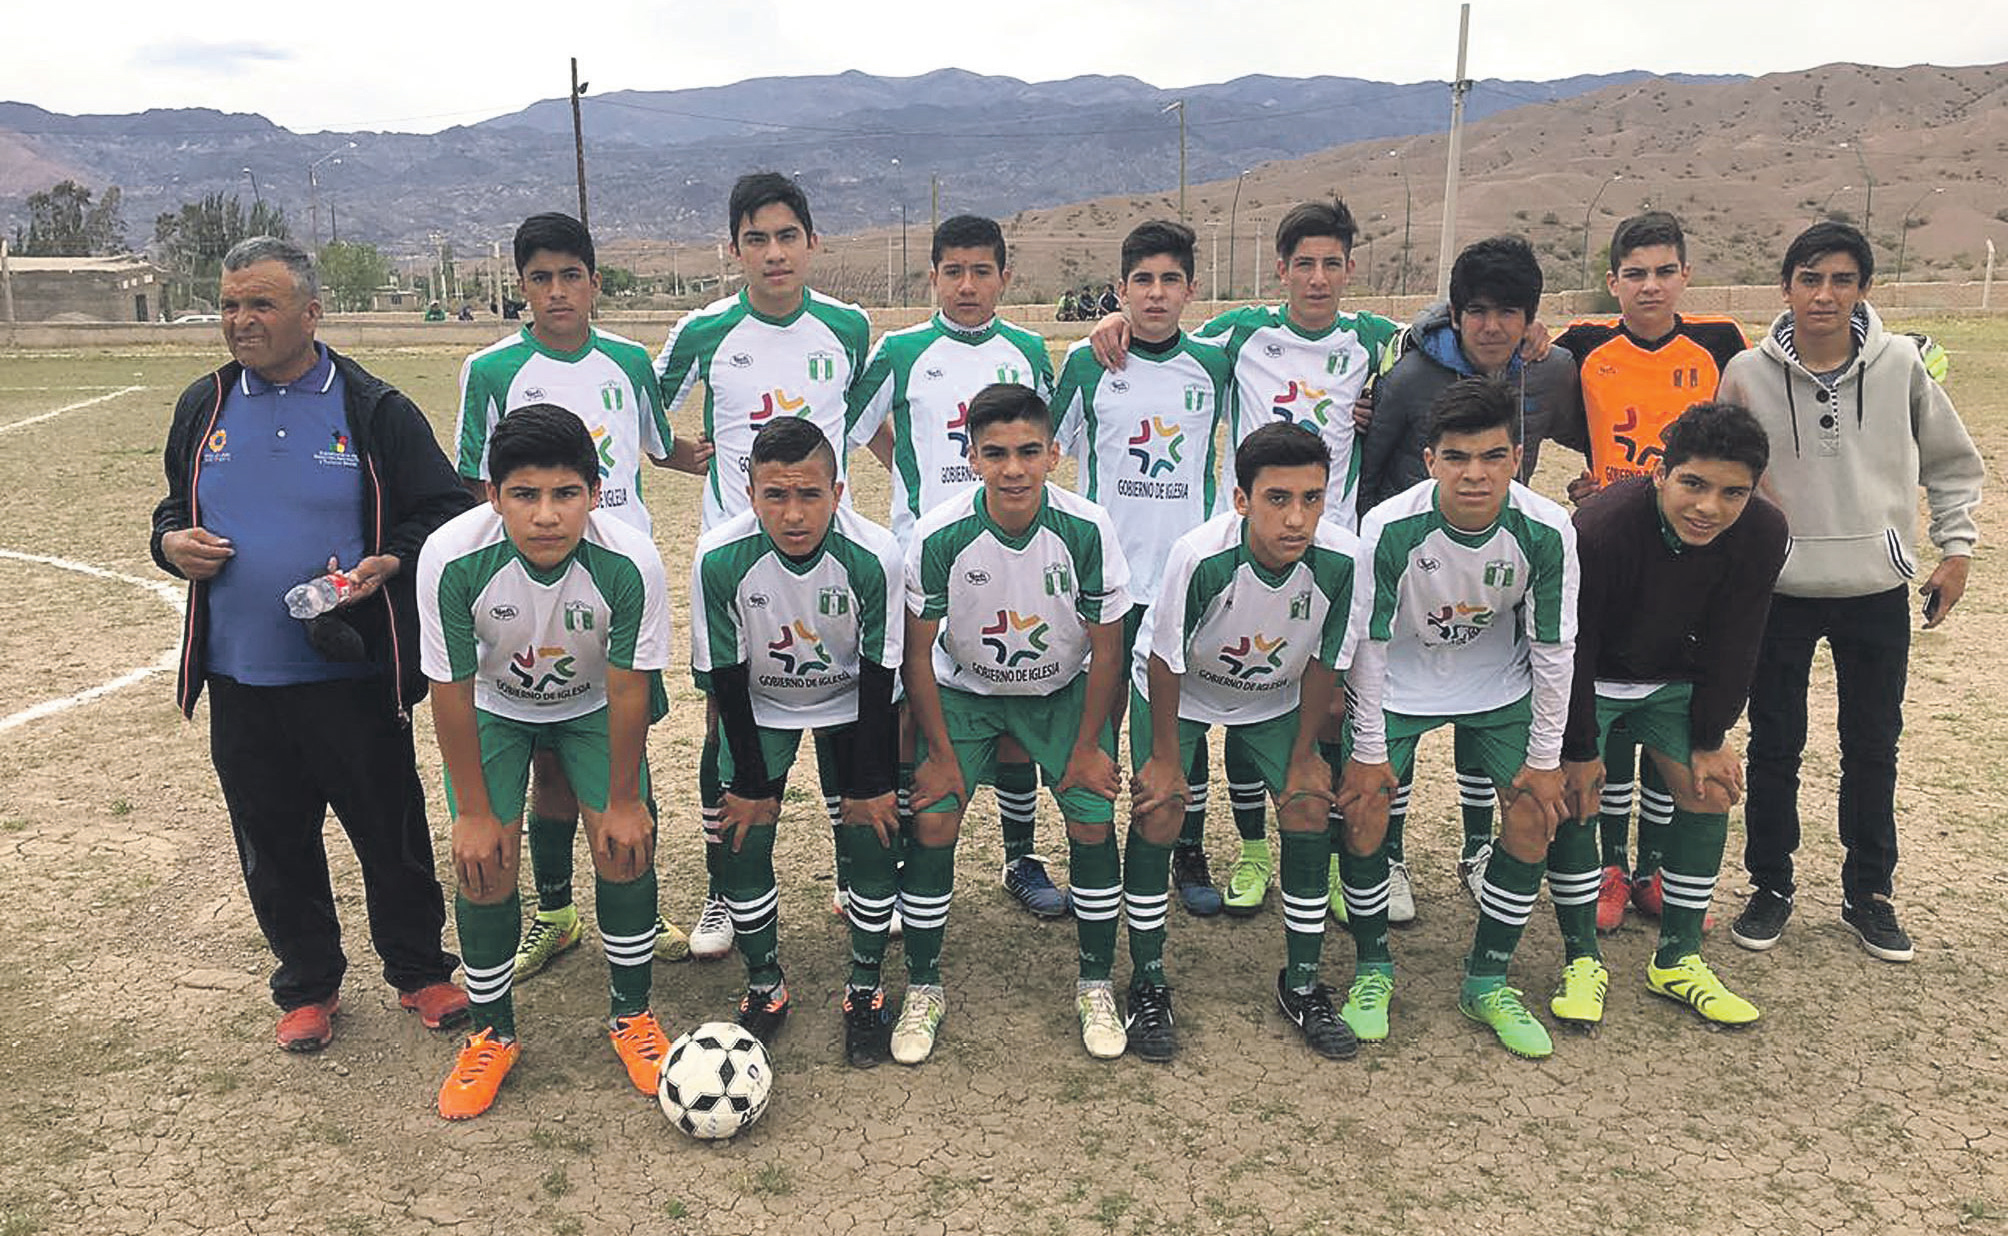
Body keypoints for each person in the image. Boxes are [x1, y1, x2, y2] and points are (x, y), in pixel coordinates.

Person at [149, 235, 470, 1054]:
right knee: (273, 841)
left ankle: (419, 970)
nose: (240, 320)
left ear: (311, 312)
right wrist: (170, 544)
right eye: (230, 305)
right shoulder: (204, 405)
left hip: (349, 671)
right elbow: (172, 508)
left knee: (390, 832)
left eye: (261, 303)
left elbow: (443, 510)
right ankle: (308, 985)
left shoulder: (372, 407)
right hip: (242, 676)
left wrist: (388, 561)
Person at [1091, 200, 1398, 924]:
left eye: (1331, 264)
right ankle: (1240, 850)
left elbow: (1443, 340)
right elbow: (1164, 339)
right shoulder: (1239, 335)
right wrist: (1108, 324)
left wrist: (1534, 335)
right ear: (1280, 269)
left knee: (1320, 707)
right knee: (1223, 685)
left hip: (1328, 551)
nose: (1317, 278)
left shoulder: (1377, 340)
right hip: (1243, 548)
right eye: (1304, 264)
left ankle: (1339, 858)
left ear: (1350, 269)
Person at [1723, 221, 1984, 963]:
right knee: (1775, 745)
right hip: (1780, 589)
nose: (1825, 295)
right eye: (1810, 279)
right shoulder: (1745, 373)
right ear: (1786, 288)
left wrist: (1957, 551)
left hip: (1875, 587)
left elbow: (1952, 464)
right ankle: (1770, 885)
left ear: (1865, 289)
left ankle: (1870, 893)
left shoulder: (1900, 364)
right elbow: (1723, 474)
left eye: (1842, 280)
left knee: (1872, 747)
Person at [456, 212, 705, 979]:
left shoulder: (628, 361)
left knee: (622, 753)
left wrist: (731, 452)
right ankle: (557, 913)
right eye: (541, 278)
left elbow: (658, 447)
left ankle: (636, 907)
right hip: (533, 592)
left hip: (618, 591)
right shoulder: (491, 369)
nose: (557, 292)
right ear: (521, 286)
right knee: (546, 762)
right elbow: (475, 483)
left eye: (571, 276)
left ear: (595, 282)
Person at [418, 405, 674, 1119]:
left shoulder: (631, 560)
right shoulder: (449, 556)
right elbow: (450, 690)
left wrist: (624, 800)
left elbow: (630, 686)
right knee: (484, 860)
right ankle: (491, 1033)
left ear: (595, 493)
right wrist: (474, 814)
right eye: (524, 495)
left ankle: (632, 1015)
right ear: (493, 495)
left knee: (625, 846)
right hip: (496, 706)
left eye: (566, 493)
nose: (546, 515)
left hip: (593, 703)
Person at [655, 172, 872, 962]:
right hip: (737, 562)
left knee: (845, 710)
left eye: (787, 237)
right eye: (757, 239)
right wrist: (686, 459)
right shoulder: (704, 330)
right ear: (734, 248)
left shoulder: (848, 327)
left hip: (831, 554)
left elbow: (868, 416)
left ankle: (853, 877)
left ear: (812, 243)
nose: (774, 253)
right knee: (727, 718)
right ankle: (724, 887)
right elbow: (644, 414)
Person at [1337, 377, 1578, 1060]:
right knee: (1363, 808)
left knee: (1534, 812)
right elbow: (1370, 645)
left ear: (1518, 457)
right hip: (1400, 684)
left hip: (1496, 685)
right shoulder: (1387, 527)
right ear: (1430, 460)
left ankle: (1488, 979)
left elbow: (1554, 649)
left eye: (1493, 457)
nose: (1476, 474)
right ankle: (1372, 969)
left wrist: (1545, 759)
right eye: (1457, 457)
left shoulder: (1548, 528)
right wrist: (1369, 750)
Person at [896, 384, 1132, 1065]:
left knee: (1092, 818)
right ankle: (923, 987)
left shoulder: (1087, 526)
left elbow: (1108, 649)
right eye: (995, 453)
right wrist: (941, 754)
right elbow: (917, 653)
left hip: (1059, 696)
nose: (1014, 469)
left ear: (1054, 454)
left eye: (1029, 452)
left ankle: (1094, 983)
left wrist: (1087, 748)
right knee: (934, 816)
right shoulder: (939, 534)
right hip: (967, 694)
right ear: (971, 458)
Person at [1352, 234, 1581, 926]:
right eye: (1477, 311)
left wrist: (1609, 484)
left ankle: (1479, 848)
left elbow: (1593, 422)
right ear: (1454, 315)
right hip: (1417, 568)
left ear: (1531, 319)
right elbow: (1370, 468)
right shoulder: (1410, 377)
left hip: (1494, 571)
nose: (1492, 326)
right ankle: (1390, 856)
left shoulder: (1550, 370)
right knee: (1401, 727)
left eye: (1509, 312)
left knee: (1483, 716)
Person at [848, 215, 1061, 917]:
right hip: (924, 558)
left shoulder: (1029, 350)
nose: (967, 285)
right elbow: (852, 426)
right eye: (953, 271)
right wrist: (904, 464)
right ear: (933, 276)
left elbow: (1048, 437)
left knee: (1014, 696)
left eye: (981, 271)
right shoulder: (901, 350)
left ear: (1004, 277)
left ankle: (1020, 857)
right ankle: (914, 856)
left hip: (1010, 558)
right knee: (917, 707)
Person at [1551, 401, 1787, 1029]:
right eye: (1694, 484)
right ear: (1660, 472)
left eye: (1733, 493)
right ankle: (1581, 958)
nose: (1709, 507)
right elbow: (1571, 645)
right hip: (1591, 677)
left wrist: (1710, 736)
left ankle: (1677, 959)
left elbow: (1739, 638)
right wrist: (1577, 748)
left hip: (1671, 683)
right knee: (1576, 795)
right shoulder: (1600, 527)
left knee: (1712, 790)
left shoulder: (1765, 532)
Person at [1126, 423, 1357, 1061]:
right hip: (1181, 689)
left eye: (1312, 498)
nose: (1296, 518)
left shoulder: (1345, 560)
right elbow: (1165, 659)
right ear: (1241, 500)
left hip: (1273, 695)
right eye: (1277, 499)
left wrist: (1305, 755)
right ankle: (1147, 980)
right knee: (1161, 809)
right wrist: (1166, 761)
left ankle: (1302, 983)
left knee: (1308, 806)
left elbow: (1327, 661)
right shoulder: (1198, 555)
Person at [1551, 211, 1748, 933]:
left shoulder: (1721, 342)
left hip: (1694, 547)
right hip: (1618, 542)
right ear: (1613, 282)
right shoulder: (1584, 345)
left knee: (1672, 700)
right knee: (1611, 705)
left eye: (1665, 271)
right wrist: (1591, 486)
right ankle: (1609, 864)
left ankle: (1658, 868)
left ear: (1685, 276)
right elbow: (1532, 375)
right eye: (1635, 274)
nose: (1650, 286)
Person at [690, 418, 905, 1064]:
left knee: (872, 827)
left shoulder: (875, 553)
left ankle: (865, 988)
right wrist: (752, 785)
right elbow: (724, 675)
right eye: (775, 495)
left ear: (837, 493)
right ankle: (765, 986)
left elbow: (880, 672)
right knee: (742, 832)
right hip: (760, 705)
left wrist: (870, 784)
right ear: (750, 494)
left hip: (852, 701)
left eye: (809, 494)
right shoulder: (718, 556)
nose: (792, 513)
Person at [1053, 219, 1235, 917]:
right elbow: (1046, 445)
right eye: (1142, 281)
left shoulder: (1215, 364)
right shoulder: (1088, 363)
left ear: (1191, 289)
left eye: (1170, 280)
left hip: (1185, 583)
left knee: (1179, 725)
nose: (1156, 294)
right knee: (1097, 721)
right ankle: (1094, 853)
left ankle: (1186, 848)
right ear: (1121, 288)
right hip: (1107, 582)